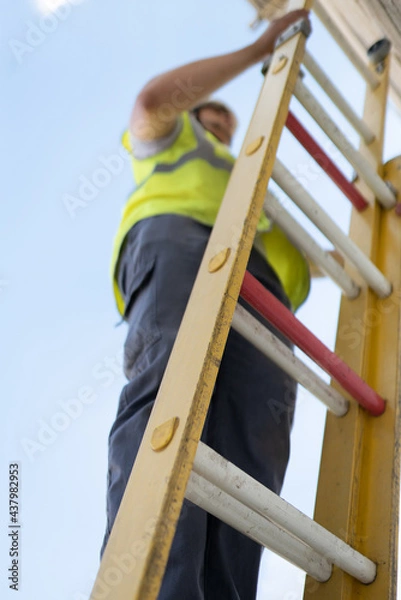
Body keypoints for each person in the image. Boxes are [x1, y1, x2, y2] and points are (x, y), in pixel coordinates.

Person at [102, 8, 311, 599]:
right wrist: (258, 52)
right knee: (171, 391)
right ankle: (155, 586)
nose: (219, 123)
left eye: (226, 118)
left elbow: (320, 264)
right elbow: (153, 101)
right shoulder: (176, 143)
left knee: (256, 447)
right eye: (211, 114)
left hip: (261, 285)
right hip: (180, 240)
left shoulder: (255, 189)